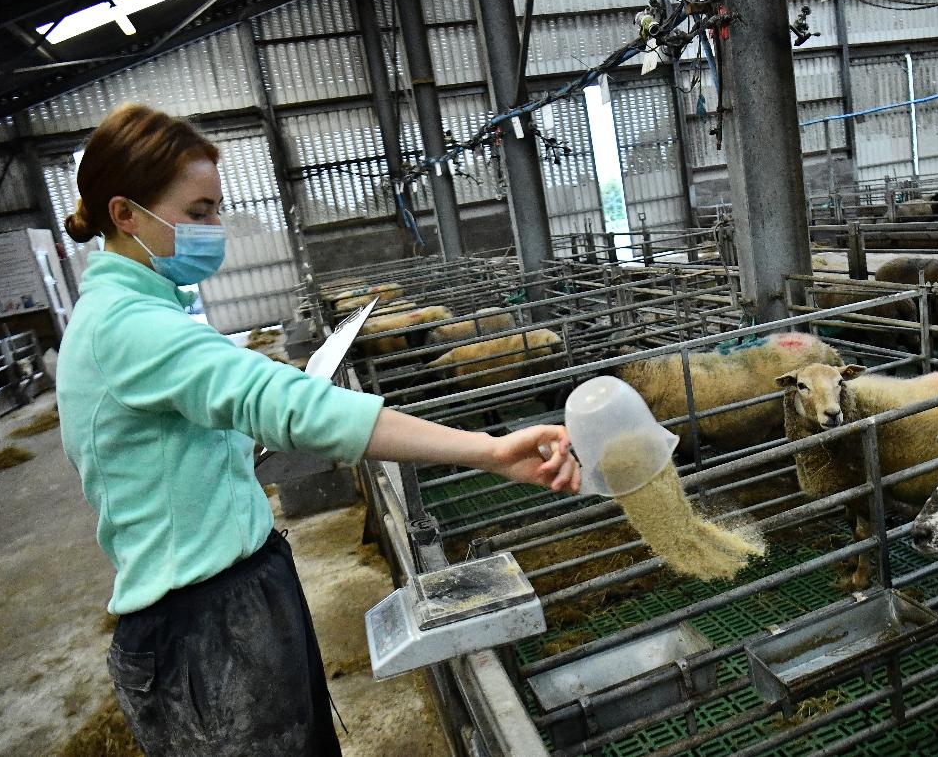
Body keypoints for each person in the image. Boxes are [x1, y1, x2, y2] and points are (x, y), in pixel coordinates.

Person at [56, 103, 580, 756]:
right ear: (125, 214)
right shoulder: (127, 326)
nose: (214, 228)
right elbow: (290, 407)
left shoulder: (132, 315)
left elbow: (184, 448)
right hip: (204, 633)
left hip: (224, 605)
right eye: (196, 213)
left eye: (216, 208)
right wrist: (491, 449)